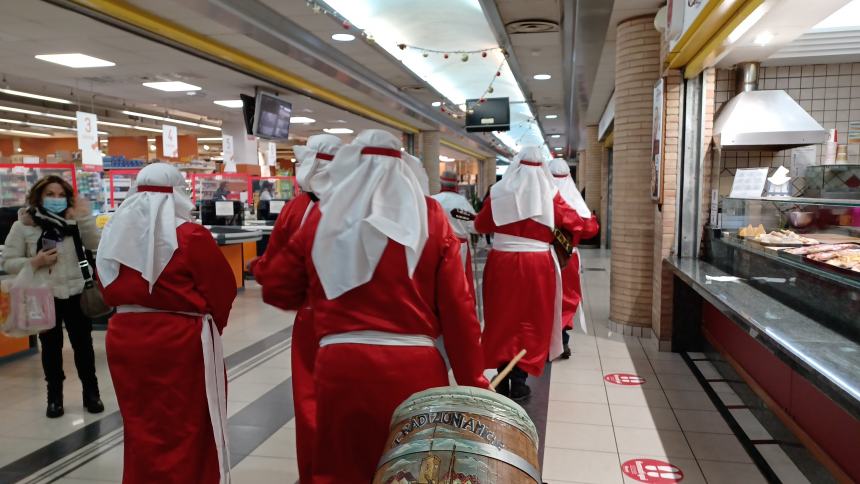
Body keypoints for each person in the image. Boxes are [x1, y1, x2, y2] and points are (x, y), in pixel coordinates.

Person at [259, 129, 488, 483]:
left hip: (341, 367)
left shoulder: (324, 215)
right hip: (415, 369)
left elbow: (278, 289)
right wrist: (473, 379)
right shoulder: (430, 216)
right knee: (411, 469)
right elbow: (459, 308)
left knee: (342, 469)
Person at [97, 163, 237, 484]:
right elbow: (221, 290)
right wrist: (213, 323)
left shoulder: (114, 233)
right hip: (180, 340)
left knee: (140, 422)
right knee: (188, 422)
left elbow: (104, 286)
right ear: (177, 192)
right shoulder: (190, 236)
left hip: (125, 338)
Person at [252, 133, 342, 484]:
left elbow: (274, 267)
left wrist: (258, 268)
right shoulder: (370, 202)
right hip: (373, 327)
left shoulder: (299, 208)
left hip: (312, 320)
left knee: (311, 402)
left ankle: (315, 474)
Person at [475, 146, 591, 400]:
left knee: (500, 317)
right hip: (538, 265)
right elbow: (580, 225)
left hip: (501, 262)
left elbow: (480, 224)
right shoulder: (551, 195)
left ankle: (500, 373)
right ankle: (518, 379)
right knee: (532, 320)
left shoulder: (498, 193)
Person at [2, 175, 103, 418]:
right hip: (43, 294)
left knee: (84, 346)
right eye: (51, 194)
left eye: (61, 195)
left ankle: (91, 393)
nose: (56, 199)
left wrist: (84, 216)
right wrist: (34, 261)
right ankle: (54, 397)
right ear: (39, 196)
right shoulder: (23, 225)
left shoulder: (76, 221)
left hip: (77, 291)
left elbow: (95, 243)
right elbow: (8, 261)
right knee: (51, 348)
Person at [549, 158, 599, 358]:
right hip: (568, 258)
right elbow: (590, 230)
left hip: (543, 255)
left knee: (545, 299)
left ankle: (544, 344)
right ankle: (562, 341)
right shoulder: (575, 200)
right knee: (566, 299)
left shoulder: (542, 196)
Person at [431, 171, 478, 296]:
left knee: (437, 282)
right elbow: (474, 227)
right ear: (456, 184)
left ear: (441, 183)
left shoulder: (433, 200)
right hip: (459, 248)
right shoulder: (462, 202)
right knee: (457, 284)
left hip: (435, 247)